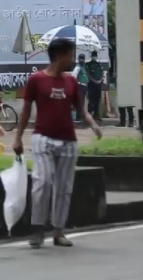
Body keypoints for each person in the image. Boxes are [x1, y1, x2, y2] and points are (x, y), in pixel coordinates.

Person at [14, 38, 102, 248]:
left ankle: (58, 231)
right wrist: (17, 137)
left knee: (64, 187)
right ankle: (37, 229)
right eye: (70, 55)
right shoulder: (36, 79)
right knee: (42, 182)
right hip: (42, 138)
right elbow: (26, 110)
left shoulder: (71, 81)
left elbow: (81, 110)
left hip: (68, 141)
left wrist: (93, 124)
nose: (72, 59)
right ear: (60, 56)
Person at [85, 51, 104, 120]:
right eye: (93, 56)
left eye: (95, 56)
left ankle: (96, 114)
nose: (94, 57)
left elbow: (102, 73)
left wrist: (100, 80)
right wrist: (94, 81)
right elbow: (88, 74)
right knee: (91, 100)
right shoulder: (88, 65)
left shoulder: (99, 65)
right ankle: (89, 114)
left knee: (97, 101)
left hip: (98, 85)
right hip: (91, 85)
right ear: (91, 56)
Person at [71, 54, 88, 123]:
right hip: (80, 86)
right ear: (78, 59)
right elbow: (73, 76)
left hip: (84, 86)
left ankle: (80, 116)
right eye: (81, 59)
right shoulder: (77, 67)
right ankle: (78, 117)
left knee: (82, 102)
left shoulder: (83, 67)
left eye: (83, 59)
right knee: (79, 102)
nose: (82, 60)